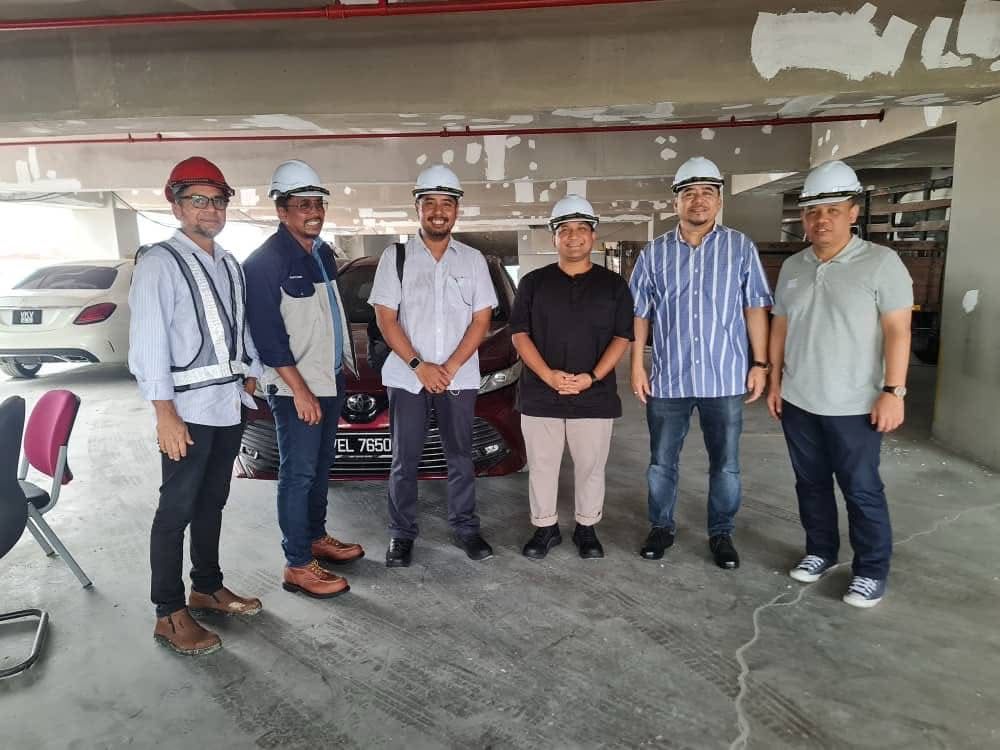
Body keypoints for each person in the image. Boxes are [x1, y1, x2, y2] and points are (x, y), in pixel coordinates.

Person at [129, 156, 263, 656]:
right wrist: (163, 413)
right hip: (186, 412)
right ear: (176, 206)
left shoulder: (228, 263)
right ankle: (168, 612)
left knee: (212, 501)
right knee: (176, 509)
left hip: (228, 403)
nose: (210, 209)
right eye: (198, 200)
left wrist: (251, 369)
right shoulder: (159, 263)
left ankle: (206, 586)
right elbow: (148, 342)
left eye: (217, 200)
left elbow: (239, 325)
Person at [767, 160, 912, 608]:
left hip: (856, 404)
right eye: (812, 211)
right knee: (809, 483)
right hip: (799, 399)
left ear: (853, 211)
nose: (821, 219)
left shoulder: (881, 263)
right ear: (803, 217)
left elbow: (898, 331)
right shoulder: (794, 266)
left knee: (861, 488)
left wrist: (893, 391)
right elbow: (780, 327)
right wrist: (775, 381)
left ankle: (871, 570)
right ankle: (821, 551)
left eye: (832, 209)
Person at [629, 156, 773, 569]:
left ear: (719, 200)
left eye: (707, 192)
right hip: (668, 379)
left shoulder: (739, 247)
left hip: (724, 378)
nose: (698, 200)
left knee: (726, 465)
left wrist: (760, 363)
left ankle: (721, 533)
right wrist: (637, 365)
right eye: (689, 193)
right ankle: (661, 526)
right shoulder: (654, 252)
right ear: (675, 201)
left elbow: (755, 307)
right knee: (662, 462)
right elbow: (639, 313)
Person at [244, 159, 363, 600]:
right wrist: (300, 391)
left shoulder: (322, 253)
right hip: (298, 389)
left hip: (328, 379)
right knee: (297, 473)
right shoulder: (264, 263)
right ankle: (297, 563)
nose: (314, 212)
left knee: (319, 468)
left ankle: (315, 537)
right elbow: (268, 338)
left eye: (318, 204)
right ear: (281, 210)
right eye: (302, 205)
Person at [368, 164, 497, 567]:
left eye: (447, 203)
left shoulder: (473, 260)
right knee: (404, 460)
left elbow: (482, 319)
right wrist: (419, 365)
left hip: (459, 376)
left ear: (457, 210)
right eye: (431, 203)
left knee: (460, 456)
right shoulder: (396, 257)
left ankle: (466, 528)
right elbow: (386, 318)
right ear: (418, 208)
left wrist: (450, 366)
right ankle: (401, 534)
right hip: (408, 378)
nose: (439, 211)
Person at [510, 196, 633, 560]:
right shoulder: (533, 283)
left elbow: (622, 336)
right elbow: (519, 334)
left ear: (593, 236)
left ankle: (586, 527)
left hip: (594, 394)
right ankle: (544, 527)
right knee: (542, 466)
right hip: (540, 393)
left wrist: (592, 377)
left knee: (591, 466)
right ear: (554, 237)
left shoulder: (613, 285)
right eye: (565, 230)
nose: (573, 236)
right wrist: (547, 375)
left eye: (581, 229)